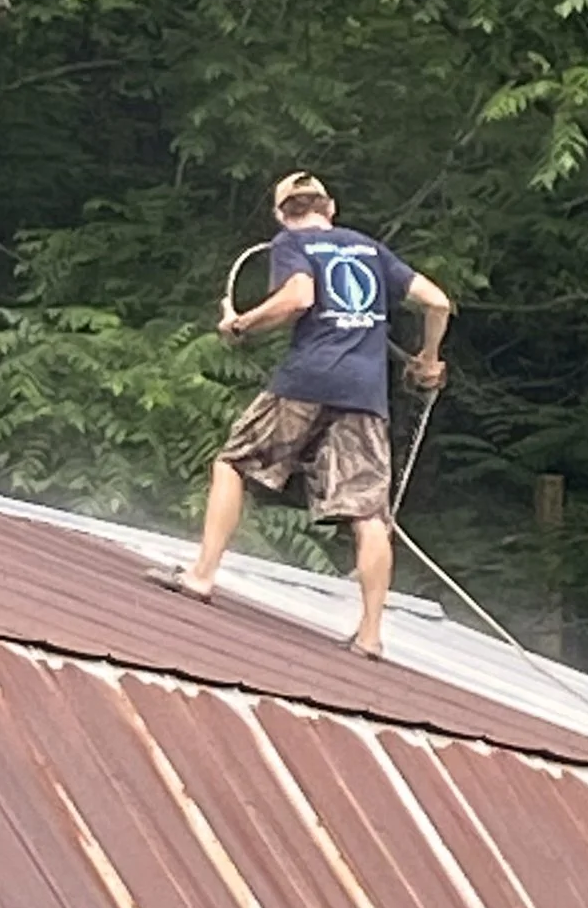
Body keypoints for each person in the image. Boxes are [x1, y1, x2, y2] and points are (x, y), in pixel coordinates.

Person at [165, 172, 453, 657]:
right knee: (368, 513)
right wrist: (428, 359)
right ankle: (371, 636)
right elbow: (438, 301)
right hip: (364, 394)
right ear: (331, 207)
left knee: (233, 463)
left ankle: (202, 575)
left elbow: (299, 297)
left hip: (306, 380)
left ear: (282, 214)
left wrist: (242, 324)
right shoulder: (369, 249)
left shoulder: (290, 243)